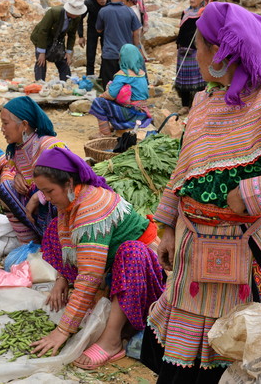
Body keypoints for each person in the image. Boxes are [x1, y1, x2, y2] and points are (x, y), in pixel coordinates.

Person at [140, 2, 261, 383]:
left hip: (242, 249)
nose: (195, 55)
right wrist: (168, 227)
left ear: (224, 52)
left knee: (235, 349)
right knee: (182, 353)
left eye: (201, 47)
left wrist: (249, 194)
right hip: (193, 245)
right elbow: (185, 168)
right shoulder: (204, 101)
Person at [29, 147, 165, 369]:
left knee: (132, 253)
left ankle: (112, 340)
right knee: (55, 227)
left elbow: (90, 276)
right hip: (111, 267)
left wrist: (62, 331)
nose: (46, 198)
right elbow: (69, 242)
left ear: (69, 184)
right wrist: (62, 279)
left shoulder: (92, 208)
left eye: (49, 191)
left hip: (144, 276)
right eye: (43, 192)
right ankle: (103, 305)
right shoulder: (74, 199)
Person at [0, 96, 67, 243]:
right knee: (5, 189)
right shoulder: (17, 150)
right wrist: (16, 177)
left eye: (5, 123)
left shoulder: (48, 145)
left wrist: (37, 197)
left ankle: (54, 242)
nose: (2, 129)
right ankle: (29, 243)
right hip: (36, 212)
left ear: (24, 125)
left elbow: (67, 181)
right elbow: (10, 170)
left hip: (55, 208)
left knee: (52, 200)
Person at [88, 44, 152, 137]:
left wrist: (102, 96)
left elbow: (111, 95)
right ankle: (115, 127)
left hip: (131, 114)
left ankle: (104, 133)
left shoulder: (122, 75)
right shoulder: (141, 73)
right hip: (142, 113)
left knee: (98, 102)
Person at [95, 0, 142, 88]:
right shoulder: (129, 11)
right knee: (125, 87)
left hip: (109, 54)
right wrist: (137, 49)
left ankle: (109, 104)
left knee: (109, 86)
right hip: (126, 56)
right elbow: (136, 32)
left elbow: (98, 29)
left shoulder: (103, 11)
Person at [30, 0, 85, 82]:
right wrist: (41, 52)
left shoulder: (77, 18)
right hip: (42, 38)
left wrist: (68, 52)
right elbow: (43, 31)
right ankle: (40, 84)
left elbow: (72, 34)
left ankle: (66, 84)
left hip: (58, 39)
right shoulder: (53, 12)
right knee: (41, 62)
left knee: (64, 61)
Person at [173, 0, 209, 114]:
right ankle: (185, 105)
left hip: (196, 51)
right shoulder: (185, 12)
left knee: (198, 78)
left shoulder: (204, 12)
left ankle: (200, 103)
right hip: (183, 50)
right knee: (183, 78)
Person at [77, 0, 107, 77]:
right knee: (90, 54)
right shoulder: (88, 3)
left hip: (106, 29)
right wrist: (81, 36)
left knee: (105, 53)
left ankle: (103, 76)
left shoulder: (110, 1)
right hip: (92, 28)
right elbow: (79, 18)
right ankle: (90, 76)